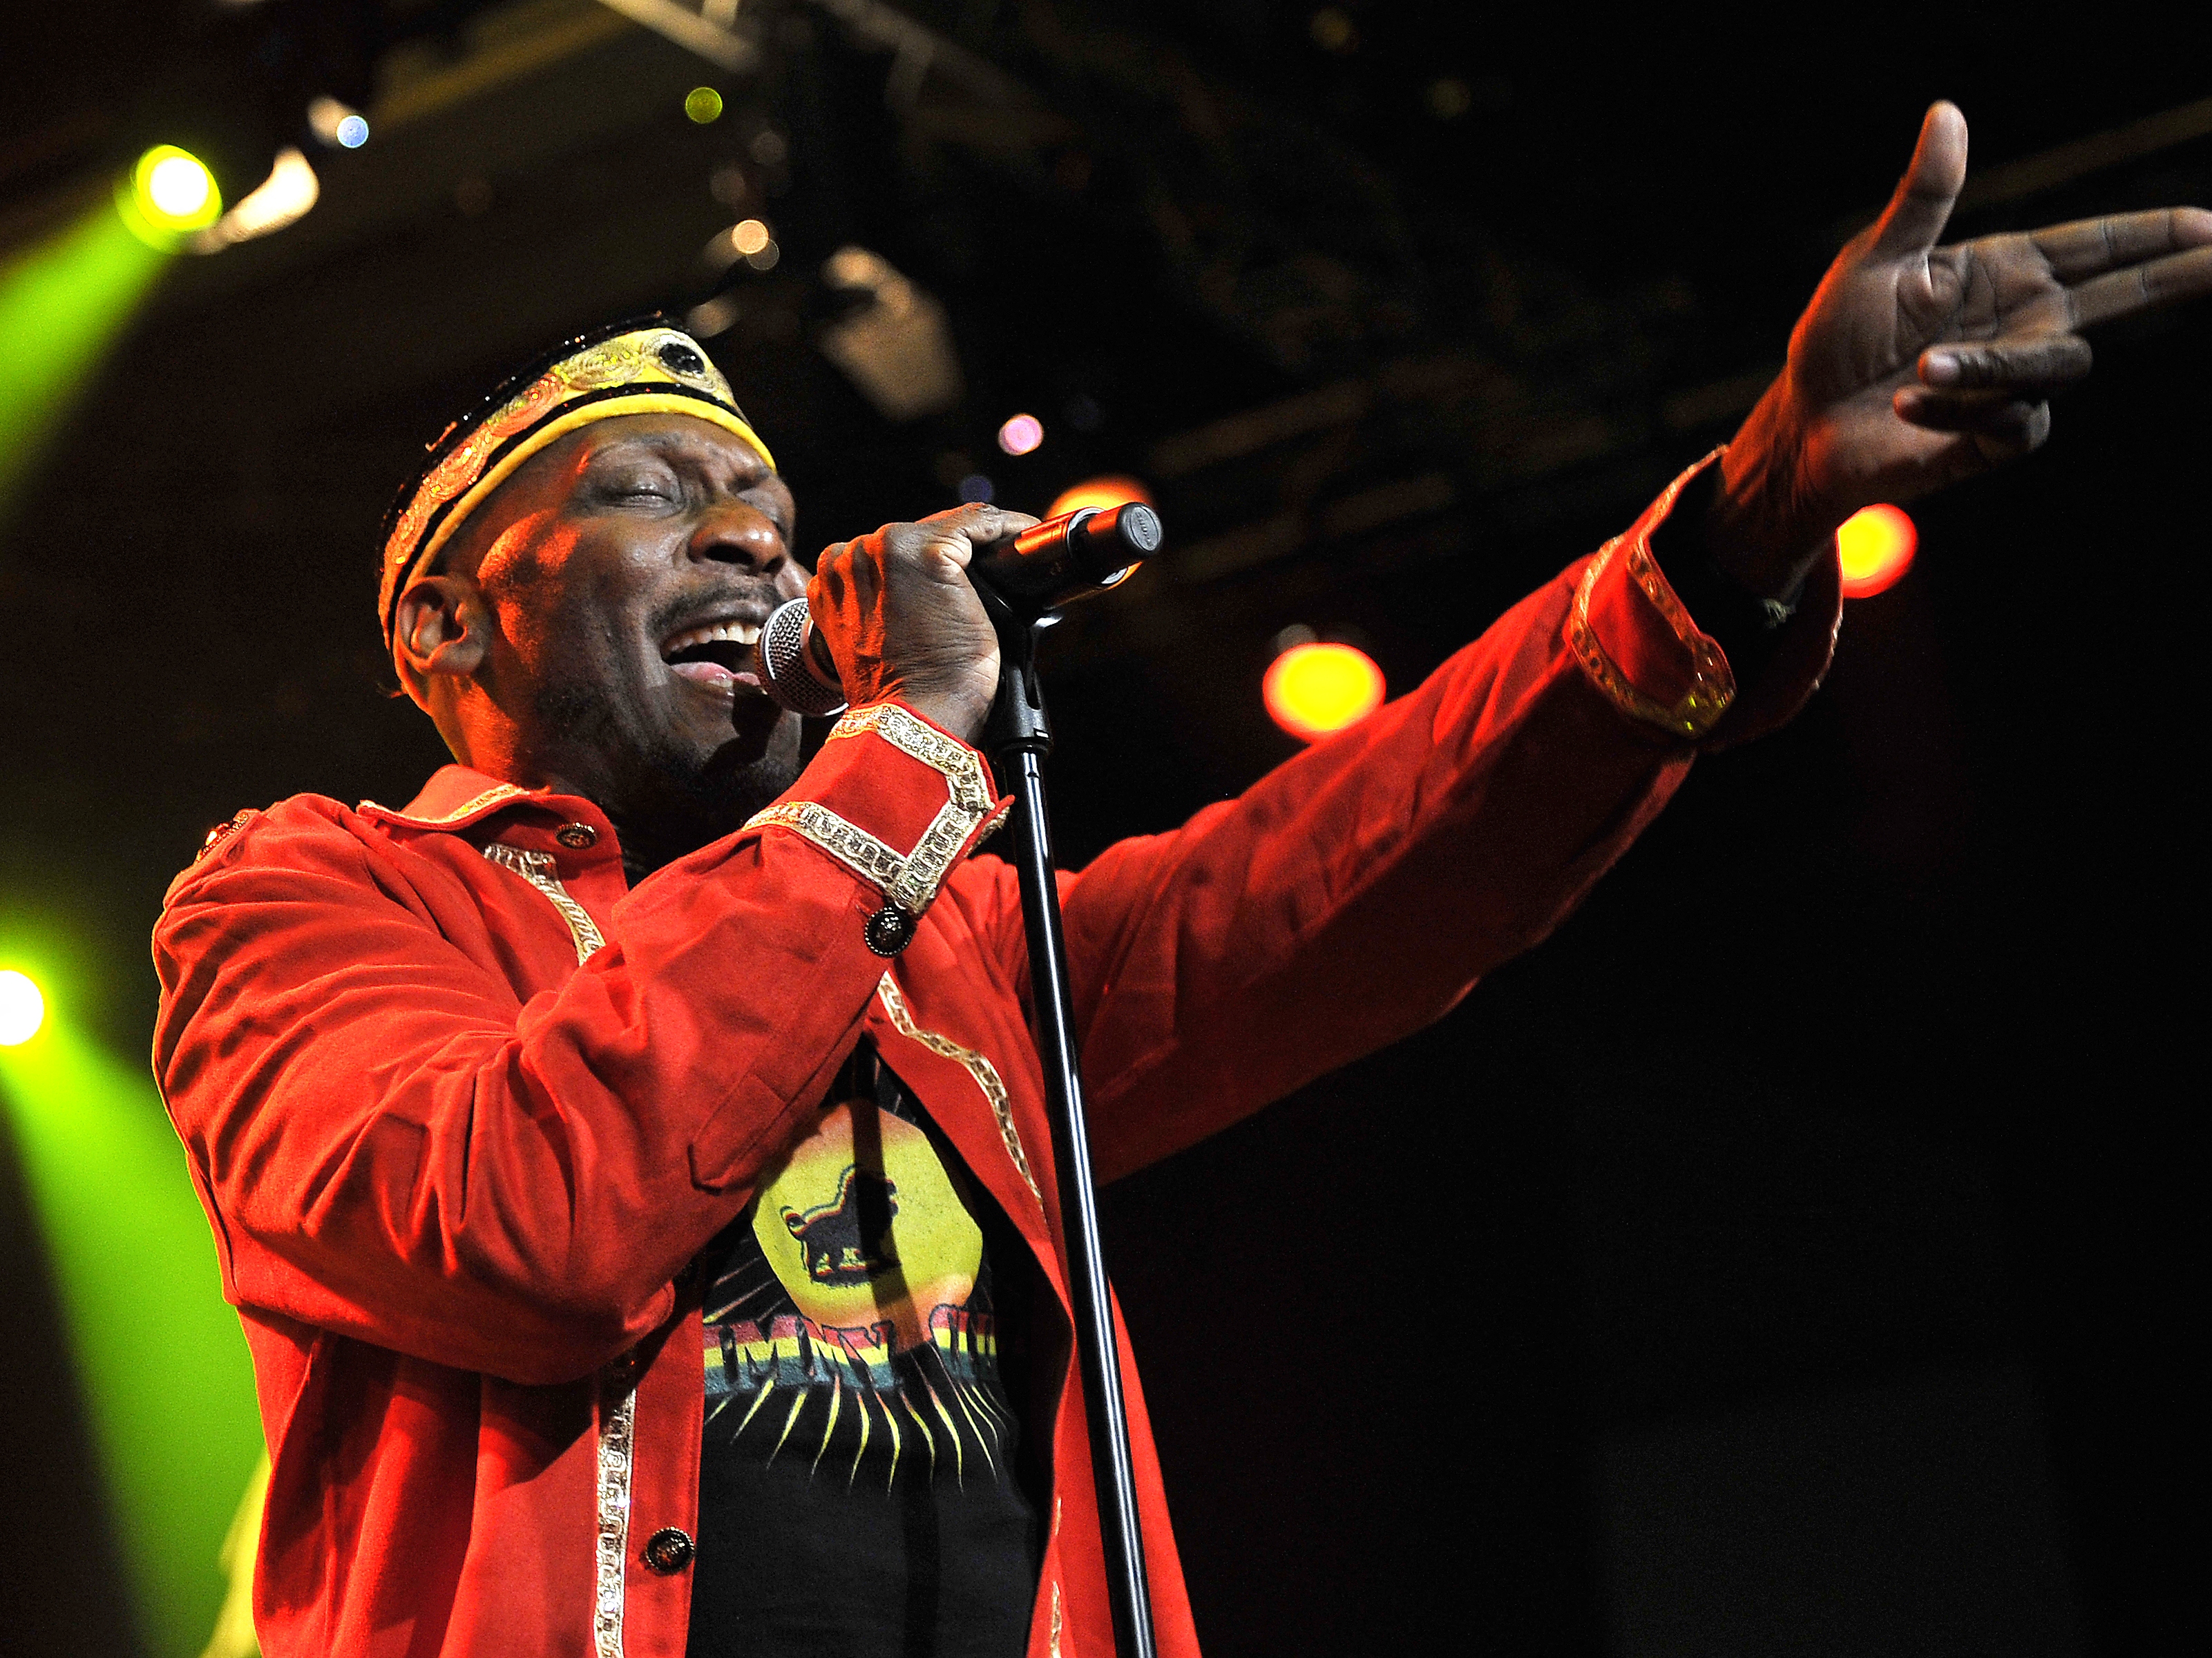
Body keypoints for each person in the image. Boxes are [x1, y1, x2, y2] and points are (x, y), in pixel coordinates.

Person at [153, 104, 2210, 1658]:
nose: (753, 549)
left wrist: (1749, 514)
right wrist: (888, 772)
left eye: (769, 512)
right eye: (648, 495)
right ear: (441, 624)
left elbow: (1355, 867)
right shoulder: (309, 899)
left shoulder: (950, 945)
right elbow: (517, 1223)